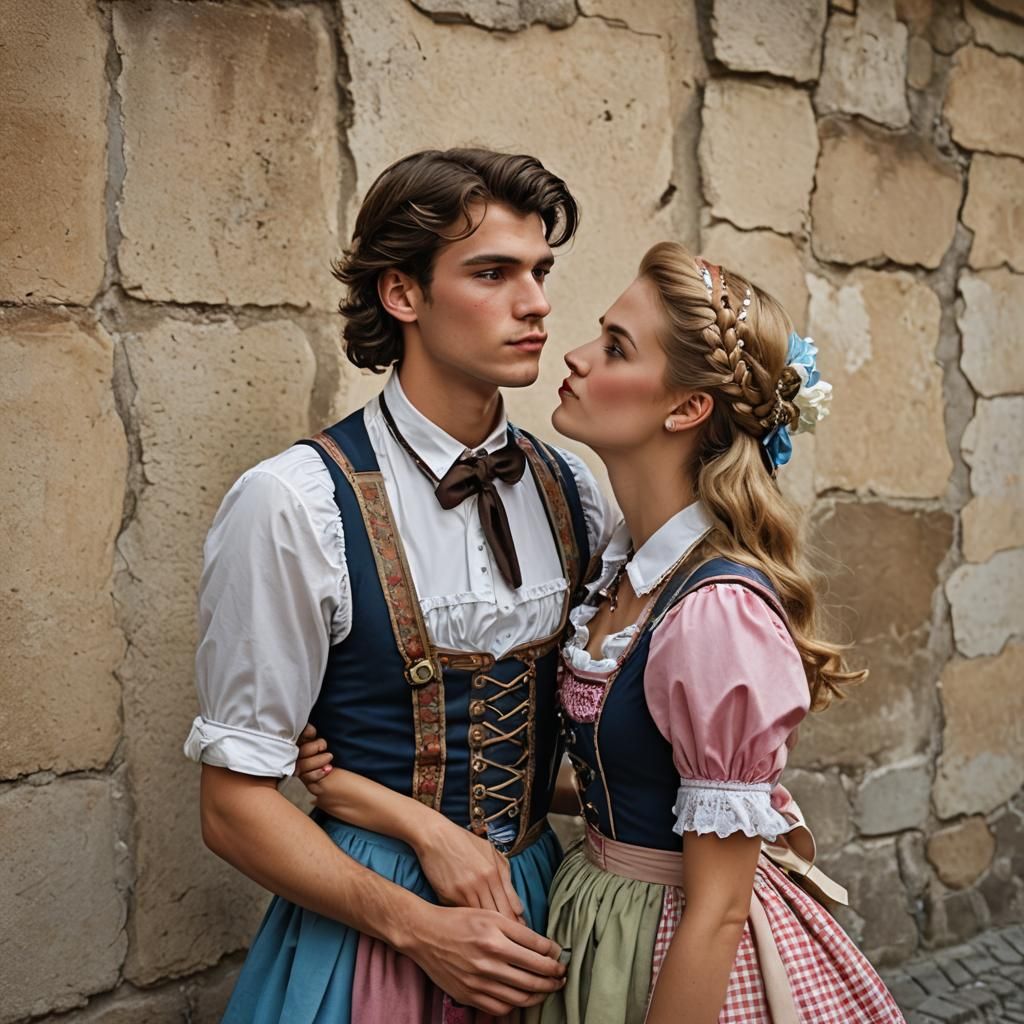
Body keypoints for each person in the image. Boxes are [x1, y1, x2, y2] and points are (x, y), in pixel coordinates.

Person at [300, 242, 905, 1022]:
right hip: (597, 923)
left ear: (686, 408)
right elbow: (622, 783)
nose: (575, 355)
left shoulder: (714, 611)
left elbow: (716, 909)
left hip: (678, 951)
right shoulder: (616, 565)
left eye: (616, 347)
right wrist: (362, 784)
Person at [184, 147, 613, 1023]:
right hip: (374, 928)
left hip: (539, 906)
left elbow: (576, 746)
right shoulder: (292, 503)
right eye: (491, 273)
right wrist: (419, 924)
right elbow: (231, 810)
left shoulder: (574, 489)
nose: (534, 303)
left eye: (539, 271)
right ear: (402, 293)